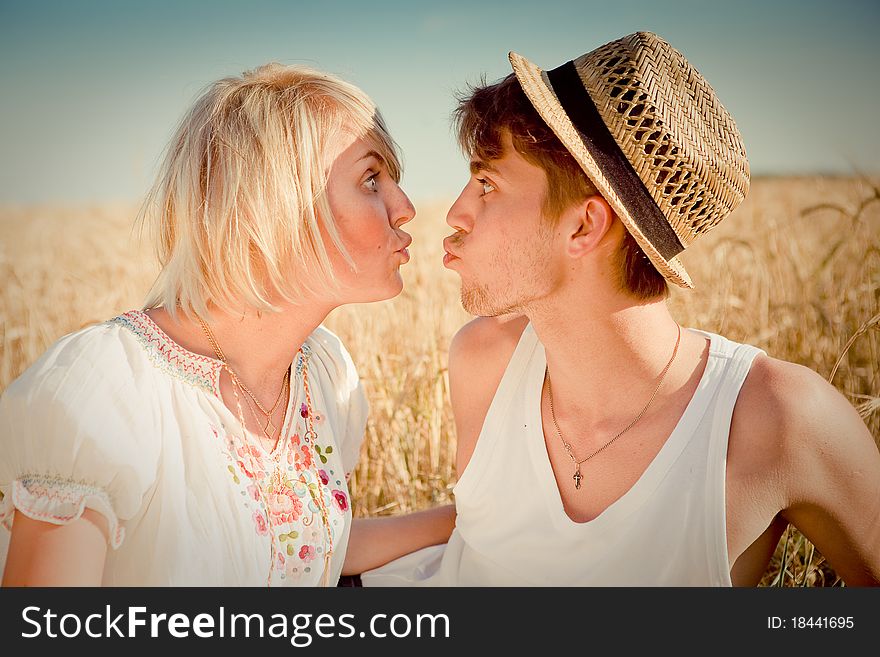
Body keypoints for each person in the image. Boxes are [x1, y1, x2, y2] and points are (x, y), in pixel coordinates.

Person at [361, 32, 880, 586]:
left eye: (487, 184)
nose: (455, 213)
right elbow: (479, 535)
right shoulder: (483, 360)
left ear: (584, 226)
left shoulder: (780, 422)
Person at [0, 63, 455, 586]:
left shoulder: (324, 373)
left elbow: (305, 546)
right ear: (277, 204)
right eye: (371, 179)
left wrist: (464, 519)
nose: (405, 207)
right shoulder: (104, 392)